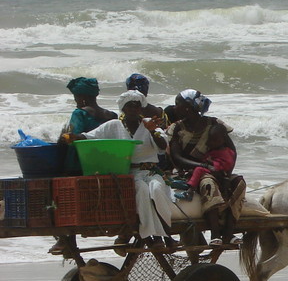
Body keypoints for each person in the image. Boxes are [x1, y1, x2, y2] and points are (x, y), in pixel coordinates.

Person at [65, 90, 176, 251]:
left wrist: (152, 130)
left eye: (137, 106)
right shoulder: (114, 125)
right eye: (130, 106)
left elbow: (162, 146)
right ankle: (157, 237)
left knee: (157, 190)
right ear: (123, 108)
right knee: (143, 192)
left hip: (151, 171)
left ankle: (167, 233)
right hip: (131, 173)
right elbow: (90, 136)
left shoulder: (148, 123)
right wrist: (73, 137)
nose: (134, 109)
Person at [167, 89, 244, 245]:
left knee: (239, 184)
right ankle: (215, 234)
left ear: (188, 107)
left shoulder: (215, 124)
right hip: (191, 173)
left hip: (218, 169)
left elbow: (231, 152)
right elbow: (177, 158)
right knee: (208, 183)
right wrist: (203, 165)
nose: (175, 108)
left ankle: (229, 232)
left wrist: (226, 173)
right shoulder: (176, 129)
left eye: (178, 104)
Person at [179, 123, 236, 198]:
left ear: (223, 140)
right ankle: (187, 183)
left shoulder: (226, 152)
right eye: (210, 139)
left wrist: (212, 163)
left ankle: (190, 191)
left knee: (199, 169)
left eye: (215, 140)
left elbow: (227, 164)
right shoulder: (215, 150)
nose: (211, 142)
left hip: (219, 173)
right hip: (213, 168)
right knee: (194, 170)